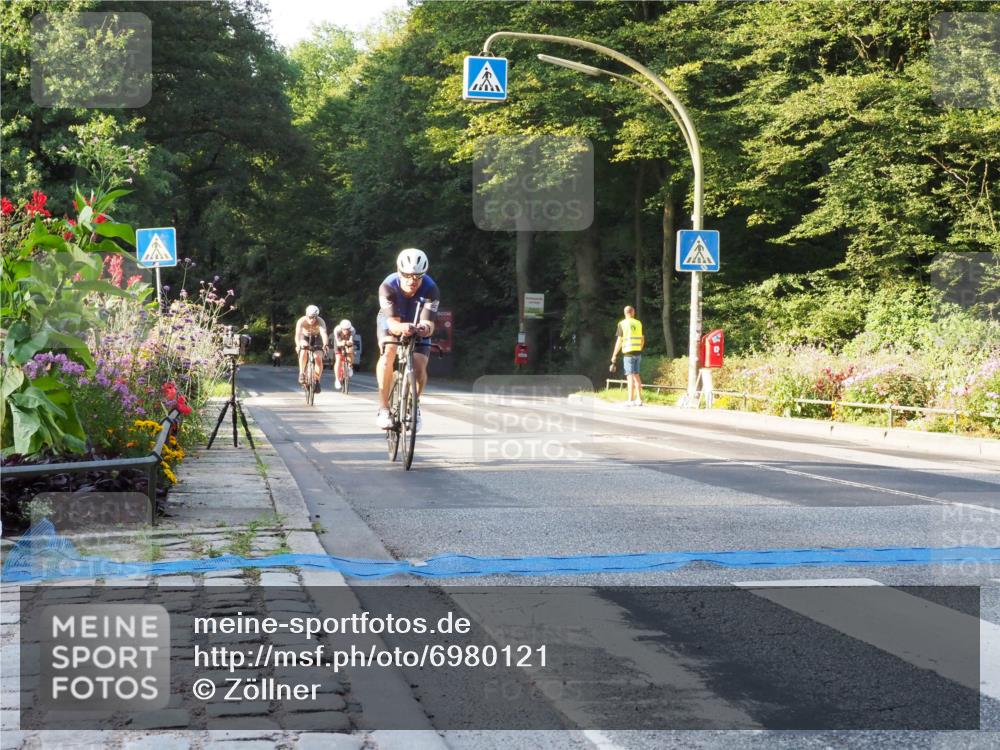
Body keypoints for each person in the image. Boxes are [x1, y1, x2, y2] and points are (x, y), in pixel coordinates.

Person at [375, 248, 439, 432]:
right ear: (399, 271)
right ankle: (384, 408)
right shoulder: (387, 286)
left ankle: (415, 406)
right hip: (391, 318)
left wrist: (425, 328)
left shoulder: (431, 288)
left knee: (419, 365)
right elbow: (393, 324)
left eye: (418, 276)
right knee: (388, 353)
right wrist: (402, 327)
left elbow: (429, 323)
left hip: (417, 318)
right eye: (408, 276)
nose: (413, 281)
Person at [610, 305, 645, 406]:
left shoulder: (622, 324)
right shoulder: (638, 323)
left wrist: (614, 355)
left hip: (628, 354)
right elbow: (642, 339)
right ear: (633, 312)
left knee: (630, 377)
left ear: (625, 313)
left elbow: (619, 341)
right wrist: (639, 348)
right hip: (638, 353)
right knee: (637, 376)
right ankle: (639, 400)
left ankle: (630, 400)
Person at [295, 305, 328, 392]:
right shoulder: (301, 321)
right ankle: (302, 372)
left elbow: (324, 334)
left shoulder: (321, 321)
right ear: (306, 315)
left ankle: (317, 380)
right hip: (304, 336)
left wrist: (325, 344)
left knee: (318, 357)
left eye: (314, 317)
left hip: (317, 337)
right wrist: (298, 345)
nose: (312, 319)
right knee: (303, 350)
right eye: (310, 317)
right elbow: (297, 335)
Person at [332, 318, 356, 390]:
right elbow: (338, 342)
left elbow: (351, 340)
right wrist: (341, 343)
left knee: (351, 351)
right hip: (338, 342)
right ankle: (337, 380)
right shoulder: (337, 330)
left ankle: (350, 366)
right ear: (341, 328)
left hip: (348, 341)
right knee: (338, 359)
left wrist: (349, 343)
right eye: (344, 329)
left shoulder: (352, 330)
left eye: (347, 329)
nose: (346, 331)